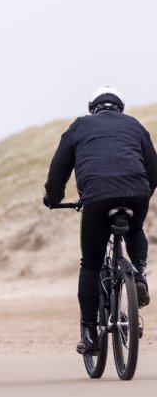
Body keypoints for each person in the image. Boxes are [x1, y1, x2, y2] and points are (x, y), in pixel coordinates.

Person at [44, 87, 157, 355]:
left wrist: (53, 197)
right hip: (136, 194)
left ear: (92, 107)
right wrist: (141, 194)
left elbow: (59, 167)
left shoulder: (79, 127)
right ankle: (139, 273)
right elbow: (154, 169)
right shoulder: (134, 125)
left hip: (96, 198)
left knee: (91, 264)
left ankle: (90, 334)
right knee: (135, 227)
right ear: (120, 107)